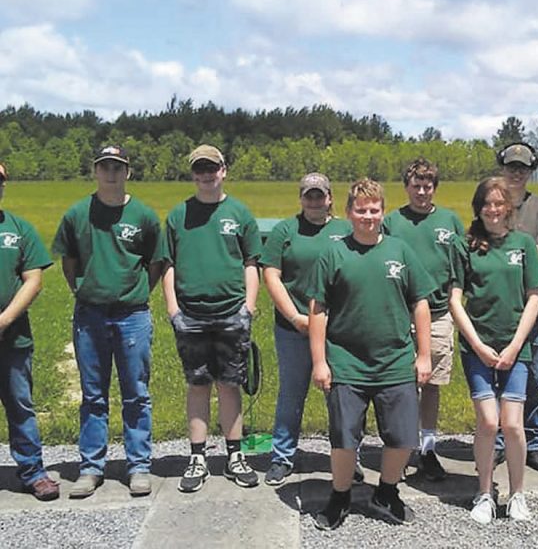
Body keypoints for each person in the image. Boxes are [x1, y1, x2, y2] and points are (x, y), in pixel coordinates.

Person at [307, 178, 434, 531]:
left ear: (383, 212)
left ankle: (387, 492)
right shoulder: (334, 253)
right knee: (344, 437)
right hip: (346, 361)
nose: (368, 216)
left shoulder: (400, 251)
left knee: (403, 436)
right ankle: (340, 495)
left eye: (374, 210)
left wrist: (424, 355)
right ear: (349, 212)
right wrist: (319, 361)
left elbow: (420, 303)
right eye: (361, 210)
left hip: (395, 361)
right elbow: (318, 309)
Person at [52, 145, 161, 499]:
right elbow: (69, 261)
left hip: (132, 315)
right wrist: (84, 290)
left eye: (117, 167)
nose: (111, 173)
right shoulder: (77, 214)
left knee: (136, 393)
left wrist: (137, 292)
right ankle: (91, 467)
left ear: (127, 172)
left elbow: (156, 262)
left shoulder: (143, 215)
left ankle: (139, 465)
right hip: (90, 314)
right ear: (95, 171)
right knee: (93, 394)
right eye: (105, 167)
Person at [157, 144, 261, 492]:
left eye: (211, 168)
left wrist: (248, 307)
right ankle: (197, 457)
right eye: (199, 169)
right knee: (197, 384)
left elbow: (251, 262)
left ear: (223, 171)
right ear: (192, 174)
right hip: (191, 314)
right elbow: (168, 265)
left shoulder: (239, 213)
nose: (206, 175)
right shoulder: (178, 215)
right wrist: (173, 309)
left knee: (230, 384)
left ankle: (235, 455)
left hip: (232, 312)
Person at [449, 177, 538, 524]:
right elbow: (455, 300)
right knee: (489, 422)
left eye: (499, 203)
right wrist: (477, 344)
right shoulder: (465, 245)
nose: (493, 210)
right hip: (477, 346)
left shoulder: (523, 244)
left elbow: (534, 298)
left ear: (508, 207)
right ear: (479, 208)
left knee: (513, 424)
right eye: (487, 204)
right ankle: (485, 492)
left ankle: (518, 493)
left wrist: (516, 344)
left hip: (515, 347)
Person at [262, 173, 351, 486]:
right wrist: (295, 317)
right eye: (308, 195)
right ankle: (282, 456)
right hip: (294, 326)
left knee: (340, 395)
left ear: (330, 198)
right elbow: (271, 275)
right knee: (291, 392)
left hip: (337, 328)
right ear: (301, 198)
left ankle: (346, 456)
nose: (314, 201)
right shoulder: (285, 230)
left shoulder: (345, 229)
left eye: (319, 195)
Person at [383, 157, 464, 481]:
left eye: (427, 186)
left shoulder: (449, 221)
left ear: (435, 188)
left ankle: (428, 449)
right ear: (406, 187)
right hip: (399, 315)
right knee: (401, 386)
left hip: (439, 313)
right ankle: (401, 447)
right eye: (416, 186)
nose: (421, 192)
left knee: (431, 384)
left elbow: (460, 267)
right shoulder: (392, 222)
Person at [496, 142, 538, 474]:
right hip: (498, 304)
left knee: (534, 377)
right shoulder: (493, 203)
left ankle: (533, 442)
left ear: (531, 170)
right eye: (511, 167)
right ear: (502, 168)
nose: (516, 173)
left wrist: (514, 250)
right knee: (496, 373)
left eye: (522, 168)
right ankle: (497, 442)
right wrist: (530, 249)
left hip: (536, 305)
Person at [0, 163, 60, 501]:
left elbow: (33, 279)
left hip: (13, 338)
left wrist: (4, 320)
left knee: (20, 406)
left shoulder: (18, 229)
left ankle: (33, 472)